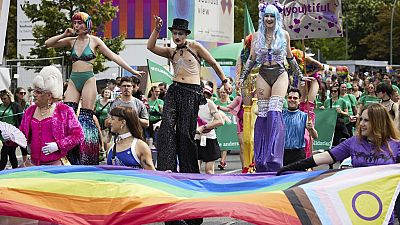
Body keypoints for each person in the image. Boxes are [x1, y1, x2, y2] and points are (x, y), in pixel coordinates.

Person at [44, 11, 144, 164]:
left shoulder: (95, 41)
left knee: (85, 117)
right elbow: (48, 43)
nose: (76, 26)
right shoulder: (71, 41)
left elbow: (114, 56)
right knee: (67, 114)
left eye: (80, 23)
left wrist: (133, 71)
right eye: (75, 23)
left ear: (87, 25)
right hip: (73, 79)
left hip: (88, 79)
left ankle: (87, 156)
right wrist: (64, 34)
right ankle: (68, 153)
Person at [278, 103, 400, 224]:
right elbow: (326, 157)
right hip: (357, 206)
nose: (361, 124)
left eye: (366, 120)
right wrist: (288, 168)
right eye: (361, 119)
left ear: (378, 121)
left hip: (384, 209)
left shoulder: (396, 146)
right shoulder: (353, 142)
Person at [147, 17, 232, 175]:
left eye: (180, 34)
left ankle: (189, 170)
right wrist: (157, 30)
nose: (177, 37)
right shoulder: (171, 51)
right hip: (174, 90)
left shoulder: (195, 46)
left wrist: (225, 81)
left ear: (186, 35)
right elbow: (150, 46)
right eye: (175, 34)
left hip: (191, 92)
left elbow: (213, 63)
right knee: (166, 126)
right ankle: (167, 167)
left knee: (185, 133)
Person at [238, 2, 310, 172]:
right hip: (263, 73)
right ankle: (261, 159)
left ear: (277, 18)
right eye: (266, 16)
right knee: (262, 114)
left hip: (280, 73)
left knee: (275, 111)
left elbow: (290, 58)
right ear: (262, 18)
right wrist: (242, 77)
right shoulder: (256, 36)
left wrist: (300, 76)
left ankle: (274, 157)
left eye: (272, 16)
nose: (269, 19)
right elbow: (252, 59)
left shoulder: (284, 35)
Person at [19, 66, 84, 166]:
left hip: (55, 166)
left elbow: (78, 135)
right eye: (34, 91)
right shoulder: (29, 111)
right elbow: (22, 135)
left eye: (38, 92)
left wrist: (58, 145)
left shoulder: (64, 111)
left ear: (49, 95)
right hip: (33, 165)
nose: (34, 94)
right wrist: (12, 137)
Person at [282, 88, 318, 166]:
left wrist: (311, 129)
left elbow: (315, 136)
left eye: (295, 98)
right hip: (282, 153)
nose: (292, 100)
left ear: (299, 101)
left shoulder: (304, 116)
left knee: (298, 177)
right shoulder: (280, 114)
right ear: (287, 99)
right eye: (290, 97)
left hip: (298, 154)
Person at [196, 85, 224, 174]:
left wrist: (204, 127)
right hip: (195, 139)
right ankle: (196, 188)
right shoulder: (190, 103)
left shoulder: (209, 103)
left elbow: (220, 121)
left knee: (209, 171)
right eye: (204, 93)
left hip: (209, 139)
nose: (205, 96)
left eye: (208, 94)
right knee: (195, 170)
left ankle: (210, 187)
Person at [0, 90, 23, 170]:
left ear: (9, 97)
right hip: (2, 133)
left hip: (12, 134)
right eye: (2, 99)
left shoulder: (15, 106)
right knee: (11, 153)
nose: (3, 100)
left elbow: (21, 119)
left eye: (5, 98)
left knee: (4, 152)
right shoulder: (0, 106)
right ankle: (15, 170)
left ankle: (1, 171)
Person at [213, 86, 232, 170]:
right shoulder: (215, 102)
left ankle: (222, 161)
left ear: (227, 93)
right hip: (217, 126)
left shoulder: (230, 103)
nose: (222, 94)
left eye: (224, 92)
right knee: (217, 142)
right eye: (221, 92)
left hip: (227, 127)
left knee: (225, 143)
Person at [95, 87, 112, 159]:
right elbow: (94, 109)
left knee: (105, 139)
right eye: (106, 92)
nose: (107, 94)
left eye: (108, 92)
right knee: (98, 138)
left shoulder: (110, 103)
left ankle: (105, 153)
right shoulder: (98, 101)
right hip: (97, 121)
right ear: (103, 93)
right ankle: (99, 153)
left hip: (105, 124)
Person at [13, 87, 30, 163]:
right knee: (12, 148)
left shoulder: (26, 104)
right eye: (21, 93)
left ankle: (24, 162)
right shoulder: (13, 104)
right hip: (15, 127)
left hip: (24, 127)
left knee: (24, 147)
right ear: (16, 94)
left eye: (24, 93)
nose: (23, 94)